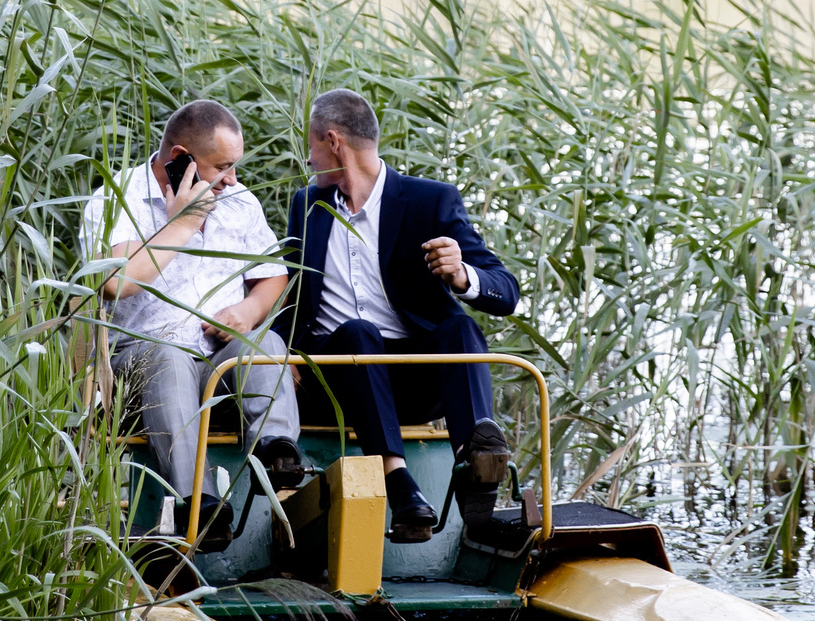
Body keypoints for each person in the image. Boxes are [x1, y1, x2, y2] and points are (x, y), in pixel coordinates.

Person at [281, 88, 522, 543]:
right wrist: (283, 353)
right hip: (337, 374)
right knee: (358, 332)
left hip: (414, 379)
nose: (309, 160)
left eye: (311, 146)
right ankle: (399, 483)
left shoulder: (429, 201)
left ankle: (477, 465)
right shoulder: (307, 206)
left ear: (333, 142)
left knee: (459, 327)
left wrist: (463, 274)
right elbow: (290, 293)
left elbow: (505, 291)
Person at [84, 99, 304, 550]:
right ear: (180, 157)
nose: (232, 180)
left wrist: (246, 313)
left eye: (235, 167)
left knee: (264, 342)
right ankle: (198, 501)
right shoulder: (116, 197)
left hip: (219, 360)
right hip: (141, 363)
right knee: (165, 355)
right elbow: (113, 282)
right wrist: (182, 223)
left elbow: (272, 276)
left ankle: (277, 454)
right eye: (222, 167)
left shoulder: (238, 201)